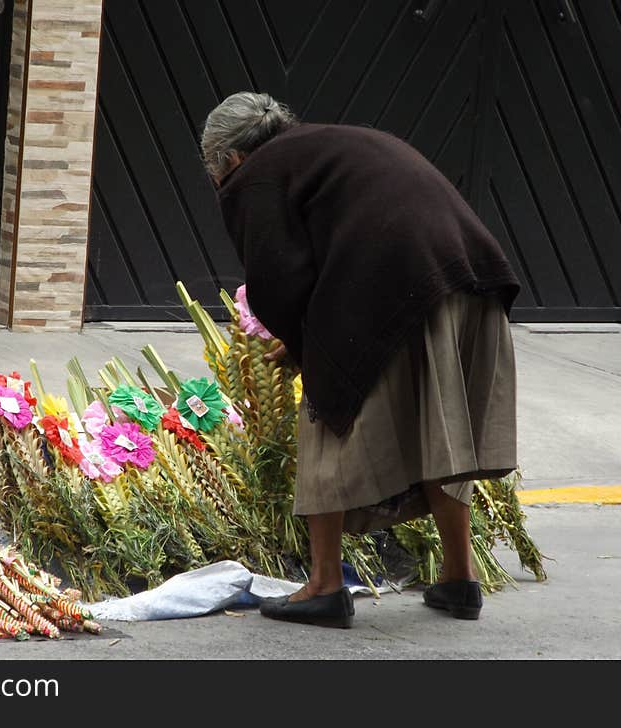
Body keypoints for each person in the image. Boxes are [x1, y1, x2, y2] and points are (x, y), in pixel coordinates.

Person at [201, 91, 520, 628]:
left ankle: (324, 586)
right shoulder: (333, 143)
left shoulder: (253, 176)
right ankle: (459, 578)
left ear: (228, 160)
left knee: (326, 419)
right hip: (468, 279)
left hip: (401, 284)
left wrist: (303, 347)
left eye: (215, 175)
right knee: (434, 425)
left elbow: (277, 280)